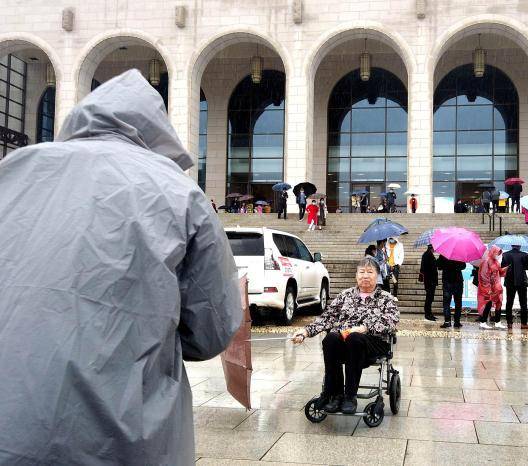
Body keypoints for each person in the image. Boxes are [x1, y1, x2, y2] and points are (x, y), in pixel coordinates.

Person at [0, 70, 243, 465]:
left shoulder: (14, 168)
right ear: (153, 131)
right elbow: (211, 333)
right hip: (117, 439)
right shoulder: (178, 191)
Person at [292, 258, 399, 414]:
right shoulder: (345, 295)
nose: (365, 276)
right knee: (331, 338)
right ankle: (334, 394)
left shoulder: (386, 299)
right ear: (356, 275)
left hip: (373, 343)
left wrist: (365, 328)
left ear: (378, 276)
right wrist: (306, 332)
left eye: (370, 272)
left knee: (355, 338)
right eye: (362, 272)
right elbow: (327, 318)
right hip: (346, 342)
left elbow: (391, 322)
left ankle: (349, 396)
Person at [500, 244, 528, 329]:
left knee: (509, 302)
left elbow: (502, 267)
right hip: (521, 281)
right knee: (523, 303)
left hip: (509, 281)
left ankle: (509, 323)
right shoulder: (524, 254)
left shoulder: (505, 255)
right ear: (519, 246)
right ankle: (524, 323)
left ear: (511, 245)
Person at [477, 246, 508, 330]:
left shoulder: (496, 262)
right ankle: (483, 322)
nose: (498, 254)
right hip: (488, 287)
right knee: (488, 303)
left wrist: (506, 269)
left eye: (499, 253)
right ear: (492, 252)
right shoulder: (486, 261)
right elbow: (483, 275)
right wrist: (487, 288)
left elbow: (499, 272)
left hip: (496, 287)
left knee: (499, 303)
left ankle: (497, 322)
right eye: (497, 252)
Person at [437, 254, 467, 328]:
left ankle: (447, 321)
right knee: (458, 302)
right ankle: (457, 322)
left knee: (446, 302)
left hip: (447, 281)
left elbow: (439, 266)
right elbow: (463, 266)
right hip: (458, 281)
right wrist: (456, 267)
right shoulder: (459, 255)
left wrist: (445, 265)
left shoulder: (443, 255)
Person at [420, 244, 438, 321]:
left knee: (430, 298)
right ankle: (427, 314)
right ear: (432, 248)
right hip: (429, 280)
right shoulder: (427, 255)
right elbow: (428, 268)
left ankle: (429, 313)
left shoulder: (428, 254)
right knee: (429, 298)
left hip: (430, 280)